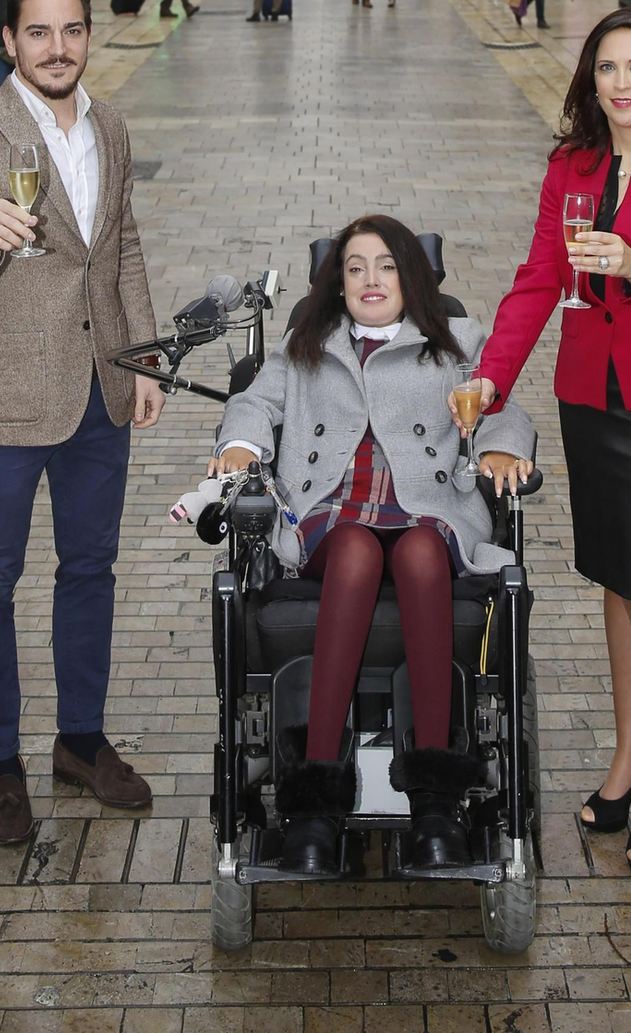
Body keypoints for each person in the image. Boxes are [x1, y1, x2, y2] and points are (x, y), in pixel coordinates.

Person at [476, 8, 631, 873]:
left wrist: (629, 264)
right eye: (608, 68)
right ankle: (628, 754)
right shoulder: (571, 165)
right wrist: (490, 378)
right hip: (590, 397)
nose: (622, 83)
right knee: (616, 588)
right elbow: (538, 278)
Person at [0, 0, 164, 846]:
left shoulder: (111, 126)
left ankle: (80, 740)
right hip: (8, 396)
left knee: (90, 571)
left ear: (89, 34)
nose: (57, 48)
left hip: (101, 391)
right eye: (38, 32)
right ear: (8, 41)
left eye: (71, 30)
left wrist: (143, 359)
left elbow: (120, 245)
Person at [211, 216, 535, 872]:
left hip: (426, 508)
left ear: (411, 277)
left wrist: (501, 446)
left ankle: (436, 803)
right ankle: (314, 804)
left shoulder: (455, 342)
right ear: (338, 282)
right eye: (355, 267)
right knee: (357, 549)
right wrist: (241, 444)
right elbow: (254, 403)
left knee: (419, 552)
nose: (371, 280)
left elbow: (501, 406)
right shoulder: (307, 344)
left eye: (386, 266)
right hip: (332, 509)